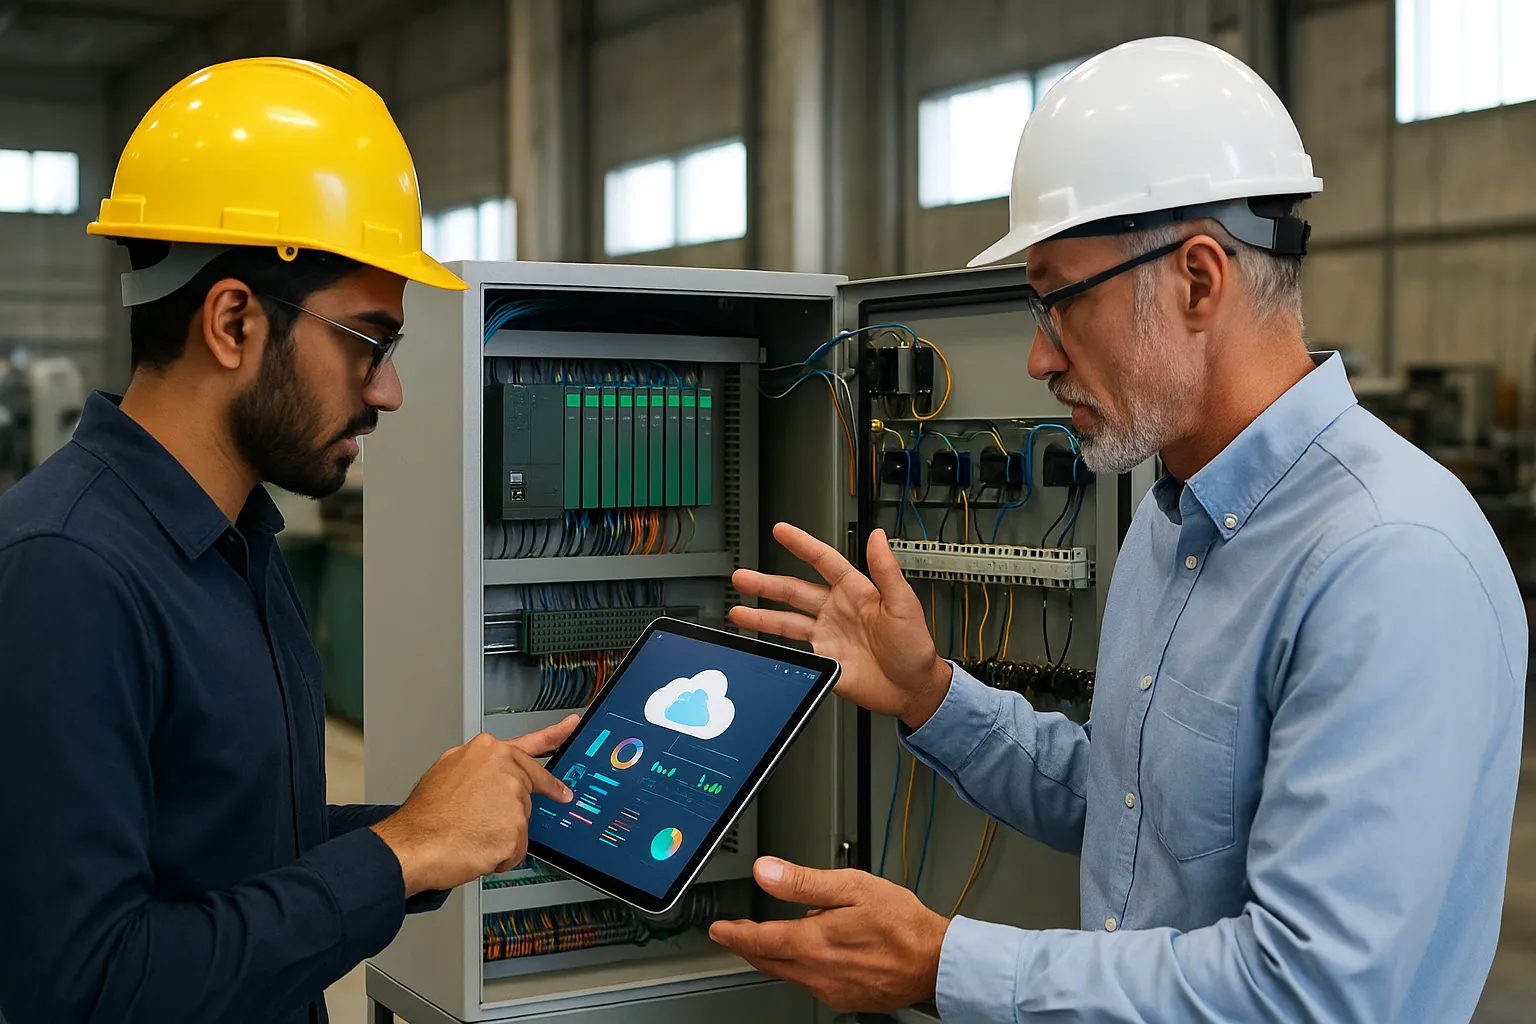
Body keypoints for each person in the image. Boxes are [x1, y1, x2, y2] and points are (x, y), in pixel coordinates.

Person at [709, 36, 1526, 1022]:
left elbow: (1313, 992)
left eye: (1059, 300)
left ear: (1196, 280)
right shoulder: (1170, 518)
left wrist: (945, 965)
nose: (1038, 356)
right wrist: (930, 695)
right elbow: (1129, 812)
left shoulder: (1390, 561)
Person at [0, 58, 575, 1024]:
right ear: (232, 321)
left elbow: (236, 853)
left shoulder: (238, 546)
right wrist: (397, 857)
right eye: (368, 339)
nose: (387, 388)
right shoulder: (67, 574)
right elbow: (86, 985)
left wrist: (428, 827)